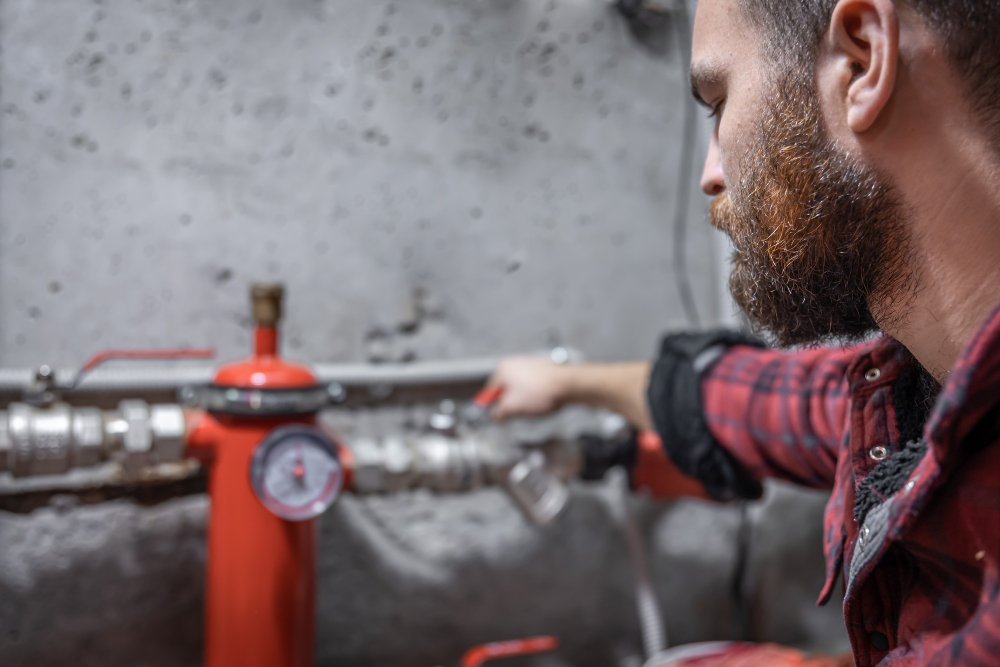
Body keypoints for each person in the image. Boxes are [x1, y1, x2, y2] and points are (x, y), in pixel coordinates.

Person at [485, 1, 1000, 665]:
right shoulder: (923, 382)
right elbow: (775, 402)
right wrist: (569, 383)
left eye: (718, 101)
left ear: (861, 61)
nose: (711, 174)